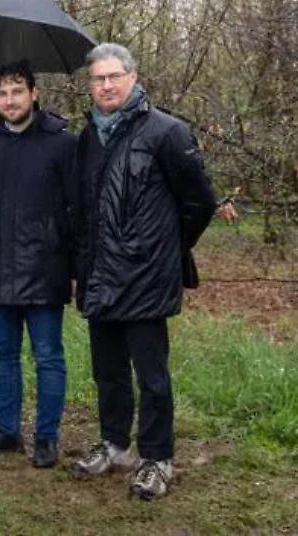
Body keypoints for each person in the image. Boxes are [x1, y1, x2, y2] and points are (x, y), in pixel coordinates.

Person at [70, 43, 216, 500]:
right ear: (90, 85)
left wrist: (167, 248)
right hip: (100, 275)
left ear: (133, 77)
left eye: (114, 76)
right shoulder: (88, 138)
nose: (106, 85)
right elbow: (84, 207)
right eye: (98, 79)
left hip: (147, 278)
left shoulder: (167, 132)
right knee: (108, 371)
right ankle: (114, 444)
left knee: (152, 377)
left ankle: (157, 458)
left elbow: (200, 202)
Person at [0, 61, 76, 469]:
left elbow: (78, 206)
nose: (10, 100)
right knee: (2, 354)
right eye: (2, 93)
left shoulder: (62, 142)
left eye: (17, 91)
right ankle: (7, 431)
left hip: (45, 266)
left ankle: (46, 437)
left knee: (48, 355)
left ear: (34, 94)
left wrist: (71, 258)